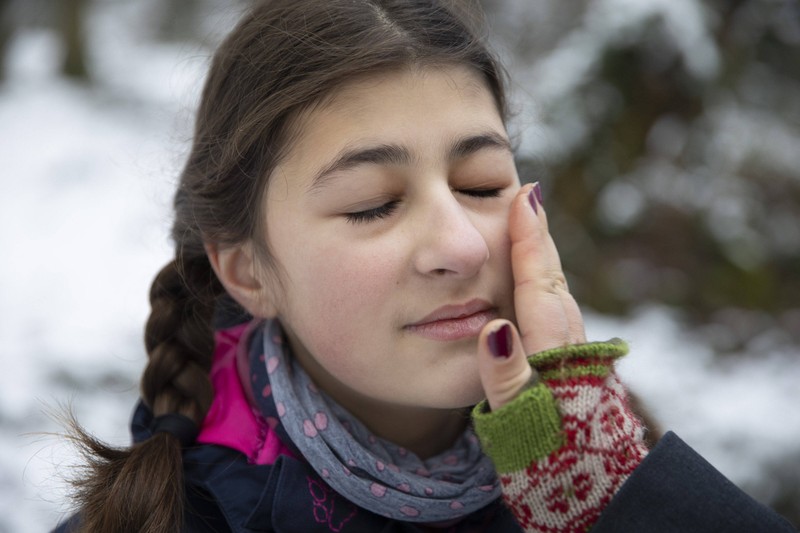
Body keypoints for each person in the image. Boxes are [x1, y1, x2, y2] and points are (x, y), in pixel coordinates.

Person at [54, 1, 795, 532]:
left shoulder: (604, 455)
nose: (463, 246)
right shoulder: (164, 516)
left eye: (480, 185)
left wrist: (619, 503)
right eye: (374, 203)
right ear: (248, 271)